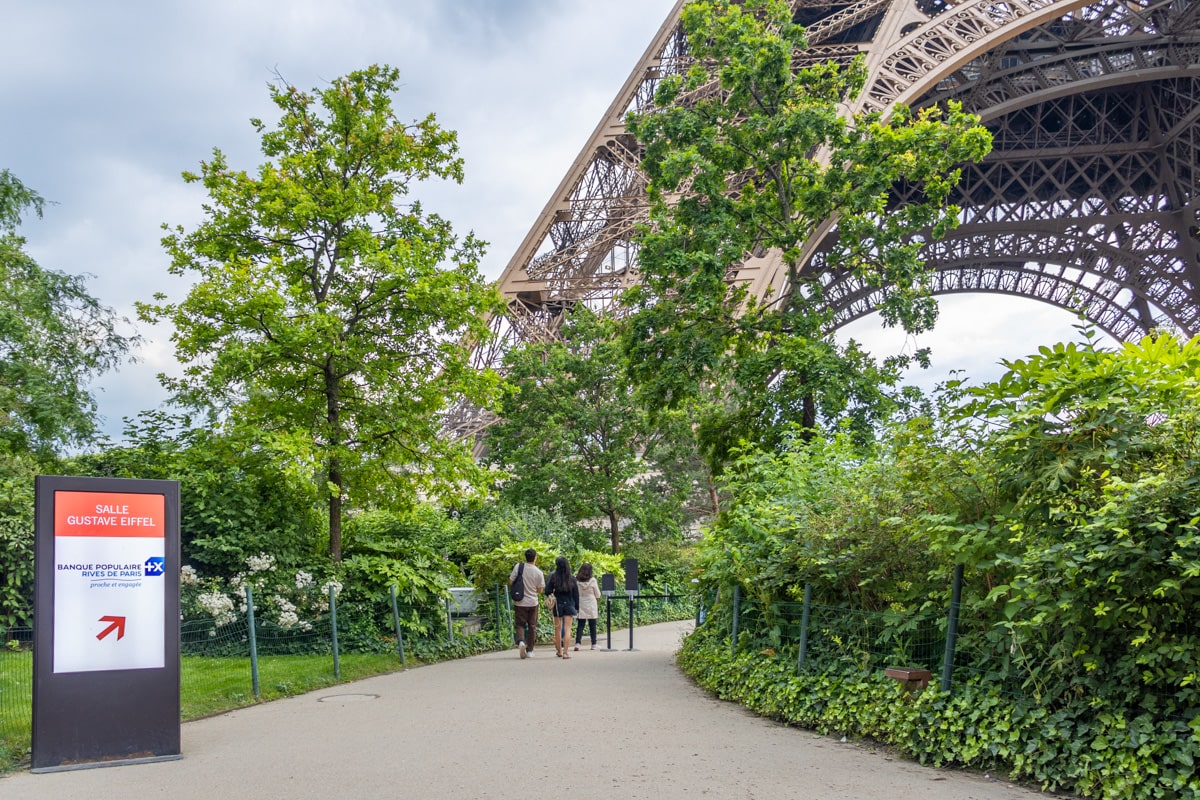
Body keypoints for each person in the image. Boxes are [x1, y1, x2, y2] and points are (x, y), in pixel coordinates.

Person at [509, 548, 544, 659]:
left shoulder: (518, 567)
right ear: (535, 558)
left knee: (520, 624)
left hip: (520, 602)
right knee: (532, 626)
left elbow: (510, 581)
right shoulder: (538, 572)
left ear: (526, 557)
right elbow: (540, 590)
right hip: (533, 602)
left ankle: (521, 642)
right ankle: (530, 651)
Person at [544, 555, 579, 659]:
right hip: (569, 605)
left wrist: (553, 593)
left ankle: (559, 651)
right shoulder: (572, 578)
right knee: (567, 629)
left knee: (558, 629)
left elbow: (547, 591)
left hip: (557, 606)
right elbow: (576, 595)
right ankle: (566, 653)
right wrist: (577, 607)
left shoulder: (553, 577)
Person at [573, 562, 601, 651]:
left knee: (580, 625)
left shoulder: (576, 581)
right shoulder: (593, 581)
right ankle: (594, 644)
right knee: (592, 625)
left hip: (581, 603)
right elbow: (598, 595)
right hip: (591, 604)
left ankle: (577, 643)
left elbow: (574, 594)